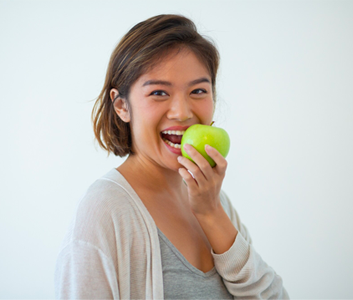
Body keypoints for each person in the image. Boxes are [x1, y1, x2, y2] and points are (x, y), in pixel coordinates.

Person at [54, 14, 290, 299]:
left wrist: (211, 212)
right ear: (121, 106)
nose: (182, 112)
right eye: (159, 92)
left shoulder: (215, 201)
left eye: (198, 91)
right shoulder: (103, 212)